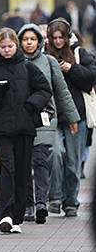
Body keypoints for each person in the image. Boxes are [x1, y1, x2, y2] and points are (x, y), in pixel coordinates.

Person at [0, 27, 52, 234]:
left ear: (16, 46)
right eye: (3, 47)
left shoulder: (27, 68)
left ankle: (17, 216)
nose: (7, 50)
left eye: (10, 46)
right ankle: (5, 216)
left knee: (22, 169)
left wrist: (31, 105)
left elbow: (44, 89)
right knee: (7, 168)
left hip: (24, 125)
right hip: (0, 127)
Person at [17, 23, 80, 224]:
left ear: (39, 42)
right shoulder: (15, 63)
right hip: (22, 120)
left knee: (41, 160)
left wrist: (72, 118)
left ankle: (41, 203)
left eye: (32, 39)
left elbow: (62, 92)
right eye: (25, 39)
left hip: (45, 118)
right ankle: (27, 203)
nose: (29, 43)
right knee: (24, 163)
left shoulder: (49, 62)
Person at [46, 18, 96, 217]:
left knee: (73, 160)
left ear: (68, 37)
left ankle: (71, 201)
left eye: (61, 37)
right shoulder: (44, 55)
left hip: (78, 115)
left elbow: (91, 77)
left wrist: (70, 68)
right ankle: (55, 197)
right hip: (52, 115)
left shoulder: (79, 53)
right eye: (54, 38)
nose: (58, 42)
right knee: (55, 154)